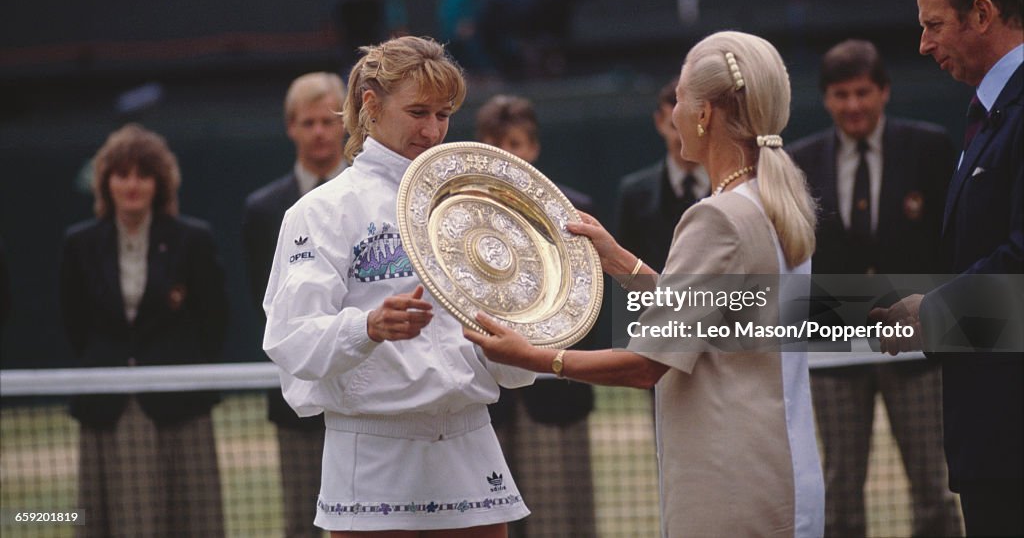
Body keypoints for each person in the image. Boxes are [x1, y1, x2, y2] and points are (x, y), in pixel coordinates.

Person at [467, 30, 825, 538]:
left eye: (679, 98)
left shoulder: (715, 218)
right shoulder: (772, 202)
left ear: (705, 114)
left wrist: (534, 357)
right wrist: (622, 263)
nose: (673, 111)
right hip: (782, 472)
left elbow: (645, 365)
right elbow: (721, 318)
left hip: (731, 482)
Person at [262, 36, 534, 536]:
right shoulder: (320, 211)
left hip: (471, 442)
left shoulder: (473, 205)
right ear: (371, 105)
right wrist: (367, 326)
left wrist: (524, 335)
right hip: (371, 454)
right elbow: (290, 337)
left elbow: (509, 348)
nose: (432, 130)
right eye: (417, 112)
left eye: (444, 114)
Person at [870, 0, 1023, 537]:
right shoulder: (988, 113)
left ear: (982, 14)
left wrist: (932, 312)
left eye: (934, 26)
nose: (924, 46)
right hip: (993, 438)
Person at [789, 39, 961, 537]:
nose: (853, 105)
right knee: (839, 486)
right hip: (833, 347)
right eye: (841, 94)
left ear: (884, 92)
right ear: (826, 99)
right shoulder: (801, 161)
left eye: (863, 91)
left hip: (917, 342)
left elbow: (951, 239)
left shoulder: (929, 147)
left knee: (934, 481)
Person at [59, 124, 228, 538]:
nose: (132, 184)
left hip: (180, 404)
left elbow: (215, 320)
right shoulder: (79, 245)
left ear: (159, 182)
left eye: (143, 174)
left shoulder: (193, 240)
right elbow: (75, 324)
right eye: (122, 174)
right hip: (109, 407)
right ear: (106, 182)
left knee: (193, 519)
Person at [474, 94, 597, 538]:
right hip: (485, 398)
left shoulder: (575, 213)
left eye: (517, 143)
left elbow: (588, 306)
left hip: (554, 395)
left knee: (561, 522)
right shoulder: (459, 216)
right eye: (496, 143)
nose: (509, 154)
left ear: (534, 148)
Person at [243, 72, 347, 538]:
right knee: (300, 521)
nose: (319, 132)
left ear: (346, 124)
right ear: (291, 128)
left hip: (367, 393)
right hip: (297, 396)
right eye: (308, 123)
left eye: (328, 120)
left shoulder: (376, 200)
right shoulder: (263, 210)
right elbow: (263, 300)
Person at [614, 80, 709, 273]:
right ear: (659, 122)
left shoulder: (730, 187)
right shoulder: (635, 194)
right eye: (675, 126)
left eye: (690, 126)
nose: (682, 136)